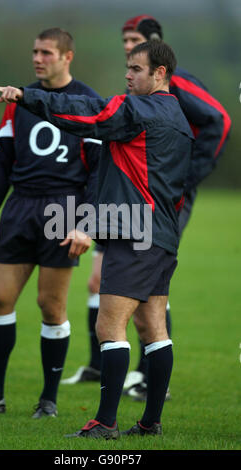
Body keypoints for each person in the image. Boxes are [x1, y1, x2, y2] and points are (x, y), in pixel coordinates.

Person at [0, 39, 194, 438]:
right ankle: (150, 424)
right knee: (153, 327)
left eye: (135, 69)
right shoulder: (182, 122)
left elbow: (89, 113)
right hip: (164, 234)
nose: (127, 75)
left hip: (133, 231)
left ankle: (104, 423)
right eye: (127, 68)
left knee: (109, 327)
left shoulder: (138, 110)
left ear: (159, 73)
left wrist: (27, 98)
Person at [61, 14, 232, 399]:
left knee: (146, 296)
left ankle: (139, 378)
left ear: (157, 61)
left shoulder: (175, 82)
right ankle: (103, 367)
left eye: (134, 39)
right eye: (123, 40)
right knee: (109, 285)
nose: (126, 46)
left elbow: (220, 120)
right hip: (128, 200)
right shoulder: (138, 88)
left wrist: (188, 177)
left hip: (157, 201)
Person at [0, 28, 101, 418]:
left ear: (67, 57)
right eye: (35, 52)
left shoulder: (87, 101)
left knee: (50, 305)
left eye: (47, 52)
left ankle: (48, 401)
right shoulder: (15, 98)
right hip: (20, 206)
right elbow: (1, 158)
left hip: (63, 210)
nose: (38, 58)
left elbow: (98, 172)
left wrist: (85, 223)